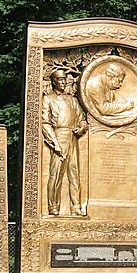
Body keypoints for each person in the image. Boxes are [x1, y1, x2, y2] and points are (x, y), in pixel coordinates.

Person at [41, 70, 88, 216]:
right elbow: (45, 122)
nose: (63, 82)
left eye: (64, 80)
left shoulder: (72, 100)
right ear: (54, 81)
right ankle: (53, 206)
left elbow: (82, 119)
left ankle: (76, 206)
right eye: (60, 80)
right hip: (58, 135)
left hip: (72, 137)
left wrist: (81, 128)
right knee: (55, 174)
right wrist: (55, 143)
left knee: (74, 174)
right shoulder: (48, 99)